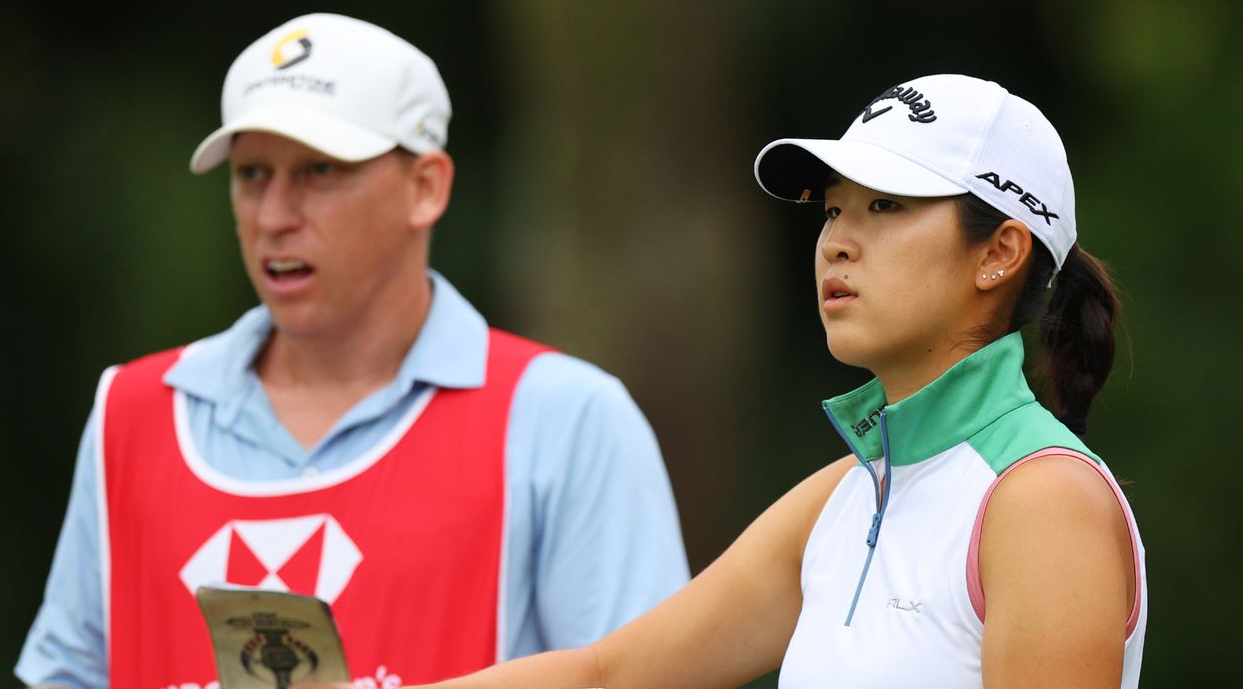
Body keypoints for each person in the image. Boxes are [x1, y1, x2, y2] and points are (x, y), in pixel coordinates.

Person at [339, 74, 1147, 689]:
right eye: (833, 209)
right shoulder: (850, 493)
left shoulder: (1041, 500)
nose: (837, 241)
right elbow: (607, 675)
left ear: (1000, 253)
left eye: (888, 207)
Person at [15, 13, 689, 689]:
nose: (274, 214)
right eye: (251, 173)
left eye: (320, 170)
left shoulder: (565, 419)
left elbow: (650, 678)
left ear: (426, 187)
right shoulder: (132, 412)